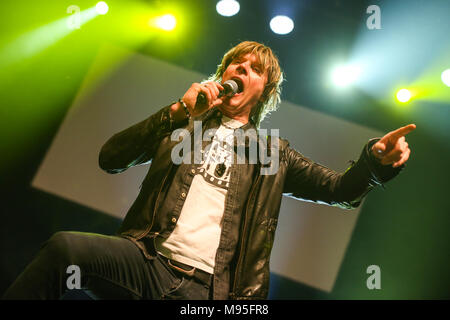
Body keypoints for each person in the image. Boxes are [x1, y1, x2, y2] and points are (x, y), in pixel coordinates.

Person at [3, 41, 415, 300]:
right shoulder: (185, 124)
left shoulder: (272, 152)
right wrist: (178, 112)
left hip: (213, 293)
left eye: (254, 69)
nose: (241, 70)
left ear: (265, 92)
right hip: (147, 261)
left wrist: (374, 161)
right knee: (65, 249)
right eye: (236, 63)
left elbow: (340, 190)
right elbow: (111, 158)